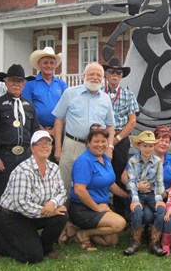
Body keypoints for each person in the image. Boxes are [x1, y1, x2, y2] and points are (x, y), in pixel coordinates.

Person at [0, 130, 68, 263]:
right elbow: (21, 203)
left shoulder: (54, 168)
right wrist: (47, 211)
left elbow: (62, 192)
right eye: (40, 143)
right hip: (13, 216)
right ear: (32, 148)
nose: (45, 146)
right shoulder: (23, 171)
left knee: (62, 215)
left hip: (38, 212)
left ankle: (45, 247)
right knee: (33, 257)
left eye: (48, 143)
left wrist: (53, 203)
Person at [0, 64, 39, 233]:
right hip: (5, 155)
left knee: (26, 192)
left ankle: (23, 230)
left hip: (25, 154)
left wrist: (35, 157)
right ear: (6, 82)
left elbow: (35, 132)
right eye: (13, 81)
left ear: (24, 84)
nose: (16, 84)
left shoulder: (29, 106)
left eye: (20, 81)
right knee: (1, 193)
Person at [52, 62, 115, 194]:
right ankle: (65, 213)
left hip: (96, 148)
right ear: (84, 76)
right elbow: (58, 120)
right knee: (65, 185)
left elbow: (110, 125)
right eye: (92, 74)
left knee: (92, 184)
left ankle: (88, 212)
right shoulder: (70, 93)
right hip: (72, 145)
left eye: (99, 75)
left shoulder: (106, 99)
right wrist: (58, 148)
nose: (95, 77)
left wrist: (109, 148)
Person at [69, 125, 127, 252]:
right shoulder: (84, 161)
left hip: (100, 205)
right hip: (83, 208)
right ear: (88, 143)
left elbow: (109, 183)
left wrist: (126, 195)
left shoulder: (105, 158)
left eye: (103, 141)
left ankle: (75, 229)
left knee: (111, 241)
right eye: (96, 141)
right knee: (119, 224)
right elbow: (79, 189)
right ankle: (83, 235)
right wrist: (96, 208)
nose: (100, 144)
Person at [102, 58, 139, 217]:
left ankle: (119, 210)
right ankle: (101, 205)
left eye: (118, 72)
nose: (115, 74)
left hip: (121, 137)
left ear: (122, 75)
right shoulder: (98, 93)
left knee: (119, 172)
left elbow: (132, 121)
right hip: (101, 138)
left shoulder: (128, 94)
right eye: (111, 71)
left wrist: (117, 138)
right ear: (106, 73)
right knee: (99, 170)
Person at [123, 131, 167, 257]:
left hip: (152, 193)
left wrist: (159, 199)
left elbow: (159, 182)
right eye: (145, 146)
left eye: (151, 146)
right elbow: (131, 181)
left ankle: (154, 242)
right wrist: (135, 199)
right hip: (137, 193)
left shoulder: (158, 161)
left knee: (161, 210)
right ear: (139, 146)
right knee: (137, 210)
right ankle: (135, 241)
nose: (147, 149)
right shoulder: (133, 161)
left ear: (154, 147)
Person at [22, 47, 68, 140]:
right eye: (45, 62)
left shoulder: (62, 85)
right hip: (36, 130)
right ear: (39, 64)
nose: (49, 65)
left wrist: (55, 129)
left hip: (59, 130)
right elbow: (27, 110)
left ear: (55, 65)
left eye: (51, 63)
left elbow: (67, 109)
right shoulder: (30, 84)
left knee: (58, 154)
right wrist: (40, 129)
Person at [153, 125, 171, 193]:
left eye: (167, 142)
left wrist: (167, 192)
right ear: (154, 141)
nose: (164, 144)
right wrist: (137, 186)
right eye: (161, 140)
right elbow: (125, 176)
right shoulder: (142, 155)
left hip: (167, 197)